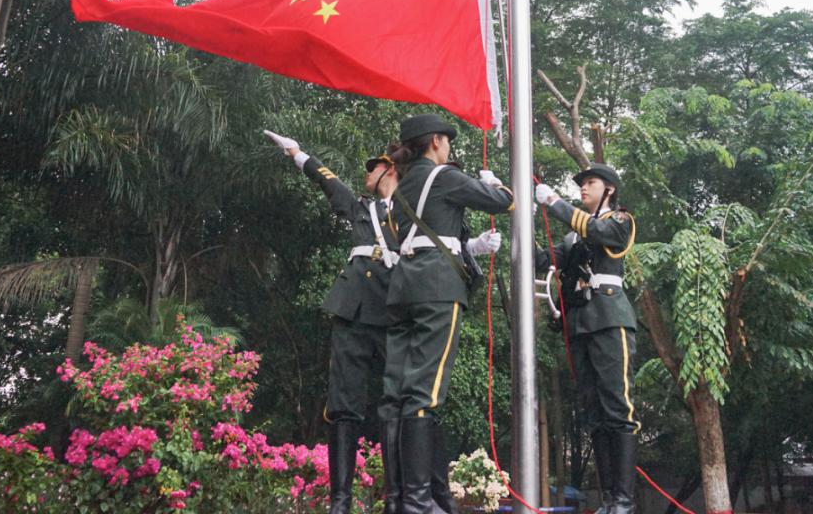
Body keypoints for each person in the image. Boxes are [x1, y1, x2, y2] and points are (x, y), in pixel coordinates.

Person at [379, 113, 512, 514]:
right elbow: (506, 202)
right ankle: (419, 502)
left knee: (396, 394)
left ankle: (399, 499)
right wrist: (492, 183)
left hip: (403, 287)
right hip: (437, 288)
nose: (450, 147)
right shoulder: (444, 177)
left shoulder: (402, 187)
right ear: (436, 141)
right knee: (424, 392)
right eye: (447, 141)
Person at [264, 130, 402, 514]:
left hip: (394, 312)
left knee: (398, 404)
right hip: (354, 310)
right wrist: (296, 153)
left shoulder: (412, 211)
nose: (367, 174)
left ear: (390, 169)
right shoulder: (361, 208)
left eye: (373, 167)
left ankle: (396, 499)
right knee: (343, 405)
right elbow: (328, 180)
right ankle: (340, 501)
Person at [535, 163, 638, 514]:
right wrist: (514, 212)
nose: (583, 188)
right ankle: (610, 499)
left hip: (610, 320)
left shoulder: (621, 221)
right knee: (594, 412)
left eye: (590, 183)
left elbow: (597, 231)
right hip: (581, 325)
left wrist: (555, 203)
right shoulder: (572, 238)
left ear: (608, 188)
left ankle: (623, 501)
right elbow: (543, 259)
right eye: (580, 184)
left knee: (618, 408)